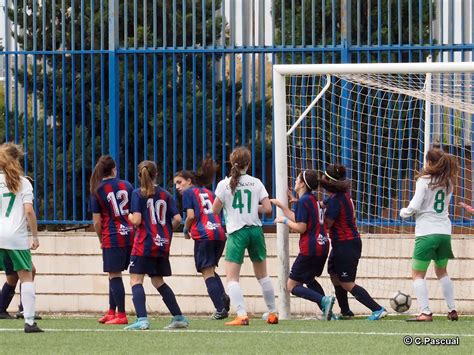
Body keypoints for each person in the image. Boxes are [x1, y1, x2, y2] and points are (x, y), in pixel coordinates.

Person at [212, 146, 278, 326]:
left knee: (232, 278)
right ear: (248, 164)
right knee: (263, 275)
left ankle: (241, 314)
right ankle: (272, 312)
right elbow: (268, 209)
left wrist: (230, 206)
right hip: (255, 231)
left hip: (237, 232)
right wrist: (251, 208)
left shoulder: (224, 184)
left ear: (232, 162)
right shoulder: (256, 182)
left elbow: (214, 209)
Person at [125, 160, 188, 330]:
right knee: (158, 281)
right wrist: (165, 230)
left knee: (136, 280)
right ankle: (178, 317)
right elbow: (176, 219)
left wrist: (128, 216)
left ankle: (142, 319)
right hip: (162, 244)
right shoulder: (166, 195)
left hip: (144, 244)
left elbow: (137, 220)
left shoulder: (138, 194)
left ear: (140, 176)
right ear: (156, 175)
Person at [320, 164, 387, 321]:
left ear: (329, 181)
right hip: (340, 244)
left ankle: (377, 309)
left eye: (323, 177)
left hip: (346, 244)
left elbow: (327, 223)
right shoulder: (340, 195)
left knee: (346, 282)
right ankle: (346, 312)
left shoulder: (337, 200)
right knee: (334, 275)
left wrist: (305, 221)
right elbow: (324, 203)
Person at [400, 148, 459, 322]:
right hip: (444, 233)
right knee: (442, 272)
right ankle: (452, 309)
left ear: (429, 163)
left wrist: (404, 212)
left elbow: (415, 206)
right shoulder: (448, 183)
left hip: (426, 233)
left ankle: (425, 312)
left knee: (418, 275)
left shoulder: (424, 181)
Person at [271, 170, 335, 320]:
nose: (294, 182)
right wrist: (281, 206)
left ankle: (323, 301)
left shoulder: (303, 201)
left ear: (302, 184)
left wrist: (283, 220)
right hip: (323, 245)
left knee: (291, 286)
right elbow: (298, 217)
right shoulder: (311, 199)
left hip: (310, 248)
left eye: (297, 179)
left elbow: (300, 227)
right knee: (309, 279)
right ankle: (329, 313)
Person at [173, 158, 230, 320]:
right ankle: (223, 297)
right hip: (219, 234)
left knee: (206, 272)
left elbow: (190, 215)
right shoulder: (209, 193)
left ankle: (220, 309)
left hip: (204, 235)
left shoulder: (189, 193)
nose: (177, 187)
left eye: (179, 182)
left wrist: (185, 229)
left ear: (189, 181)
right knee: (210, 269)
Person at [0, 144, 43, 332]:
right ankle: (30, 322)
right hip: (15, 237)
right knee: (26, 276)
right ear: (17, 160)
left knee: (14, 275)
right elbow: (29, 211)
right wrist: (34, 236)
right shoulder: (23, 182)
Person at [89, 155, 134, 325]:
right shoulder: (127, 185)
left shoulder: (97, 190)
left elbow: (96, 222)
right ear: (114, 169)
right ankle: (111, 311)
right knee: (113, 274)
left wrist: (101, 238)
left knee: (114, 274)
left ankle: (121, 315)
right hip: (130, 235)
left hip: (112, 236)